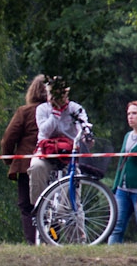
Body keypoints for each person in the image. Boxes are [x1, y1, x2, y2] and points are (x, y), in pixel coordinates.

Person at [0, 74, 49, 244]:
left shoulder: (25, 112)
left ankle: (32, 242)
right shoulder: (56, 113)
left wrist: (8, 159)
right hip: (55, 163)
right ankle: (50, 240)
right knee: (51, 204)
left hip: (27, 165)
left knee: (28, 206)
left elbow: (9, 138)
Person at [29, 77, 91, 206]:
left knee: (73, 190)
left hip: (68, 155)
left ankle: (70, 215)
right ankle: (39, 206)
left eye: (59, 94)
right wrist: (55, 114)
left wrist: (87, 136)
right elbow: (44, 131)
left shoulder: (75, 109)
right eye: (52, 94)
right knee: (36, 167)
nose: (55, 98)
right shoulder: (42, 109)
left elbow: (83, 126)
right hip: (46, 152)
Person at [109, 100, 137, 244]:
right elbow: (121, 163)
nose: (130, 117)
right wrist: (115, 187)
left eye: (134, 113)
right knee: (116, 226)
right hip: (122, 190)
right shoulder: (127, 136)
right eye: (128, 114)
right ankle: (111, 257)